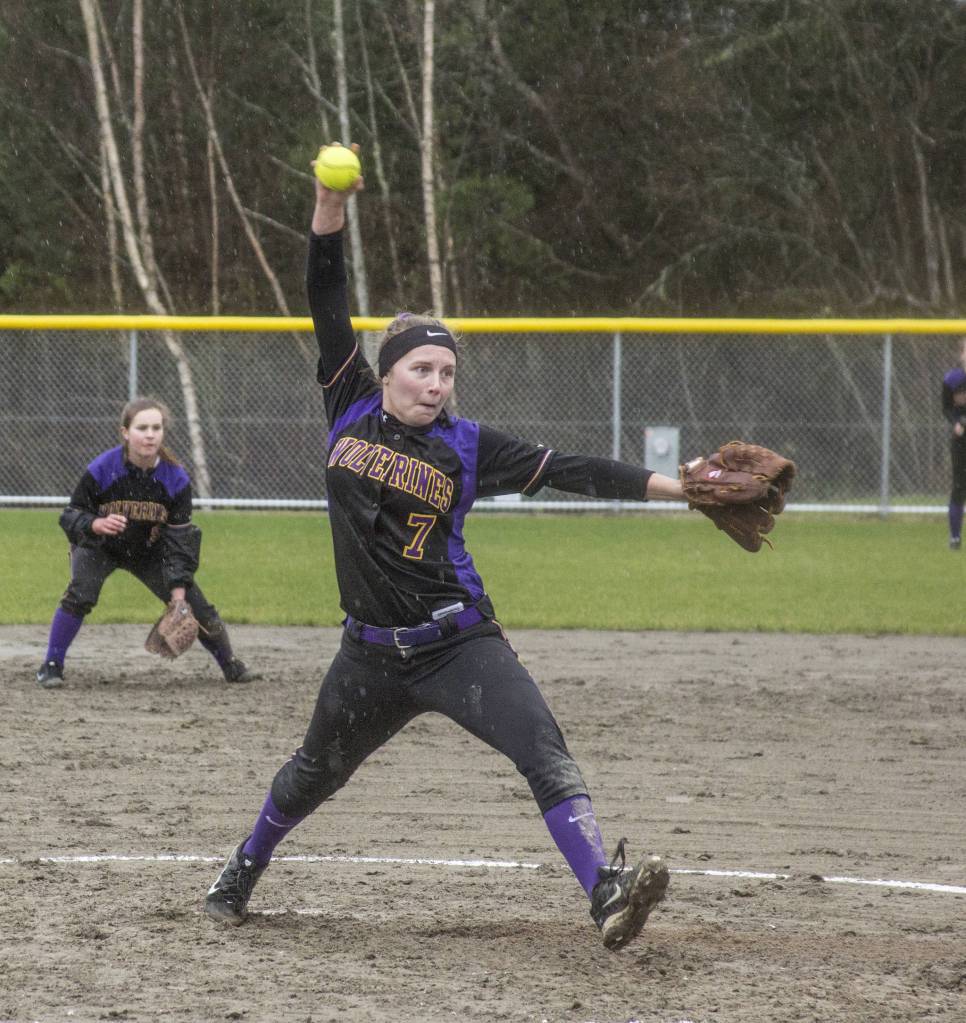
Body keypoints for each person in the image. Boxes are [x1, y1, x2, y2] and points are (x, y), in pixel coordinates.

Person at [204, 145, 685, 952]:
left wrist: (680, 488)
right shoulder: (348, 401)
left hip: (458, 640)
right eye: (423, 367)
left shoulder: (467, 445)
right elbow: (325, 288)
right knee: (311, 775)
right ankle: (243, 868)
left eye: (447, 371)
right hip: (367, 655)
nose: (437, 382)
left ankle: (604, 890)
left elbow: (574, 469)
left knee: (542, 745)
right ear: (386, 372)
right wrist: (331, 207)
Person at [35, 397, 257, 688]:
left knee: (195, 606)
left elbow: (180, 541)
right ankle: (51, 665)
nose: (150, 434)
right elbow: (71, 515)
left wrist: (178, 595)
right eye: (142, 427)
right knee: (81, 593)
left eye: (156, 427)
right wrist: (95, 524)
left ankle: (231, 665)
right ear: (126, 433)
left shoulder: (175, 479)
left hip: (149, 551)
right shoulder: (103, 468)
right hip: (100, 546)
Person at [941, 337, 966, 550]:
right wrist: (956, 423)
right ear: (961, 355)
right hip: (961, 441)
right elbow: (946, 408)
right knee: (959, 487)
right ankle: (955, 537)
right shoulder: (952, 380)